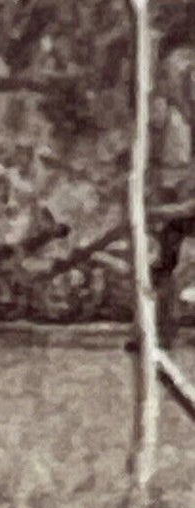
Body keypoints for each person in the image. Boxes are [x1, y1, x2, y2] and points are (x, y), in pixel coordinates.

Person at [152, 38, 195, 346]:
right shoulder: (174, 118)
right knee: (166, 258)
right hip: (180, 200)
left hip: (186, 204)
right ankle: (162, 328)